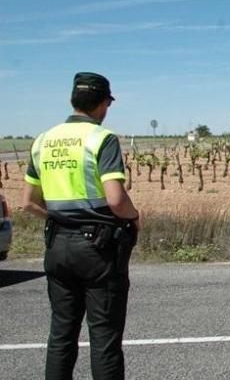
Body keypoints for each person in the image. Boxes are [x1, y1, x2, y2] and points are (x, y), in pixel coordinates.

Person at [21, 72, 140, 380]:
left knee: (61, 334)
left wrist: (60, 219)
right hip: (98, 250)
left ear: (72, 100)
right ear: (103, 103)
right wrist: (133, 216)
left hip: (57, 246)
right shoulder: (102, 138)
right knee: (104, 338)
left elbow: (28, 202)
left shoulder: (42, 141)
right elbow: (116, 199)